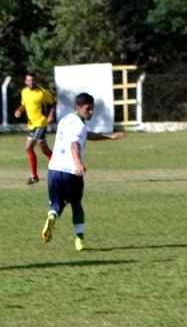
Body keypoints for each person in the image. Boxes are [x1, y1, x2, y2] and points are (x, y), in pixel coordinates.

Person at [42, 93, 125, 251]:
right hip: (71, 172)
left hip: (54, 169)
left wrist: (109, 136)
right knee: (76, 204)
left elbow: (84, 135)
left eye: (92, 109)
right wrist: (79, 163)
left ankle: (51, 217)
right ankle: (79, 240)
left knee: (56, 205)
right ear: (78, 108)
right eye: (88, 109)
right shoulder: (79, 126)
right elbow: (75, 144)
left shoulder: (66, 119)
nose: (91, 112)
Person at [14, 73, 56, 184]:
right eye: (29, 80)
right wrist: (19, 111)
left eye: (33, 80)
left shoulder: (42, 92)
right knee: (45, 150)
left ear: (36, 80)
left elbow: (53, 102)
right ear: (25, 81)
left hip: (40, 123)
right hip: (32, 124)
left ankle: (34, 176)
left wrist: (51, 115)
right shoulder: (24, 92)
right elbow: (23, 104)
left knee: (28, 147)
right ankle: (60, 167)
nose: (31, 82)